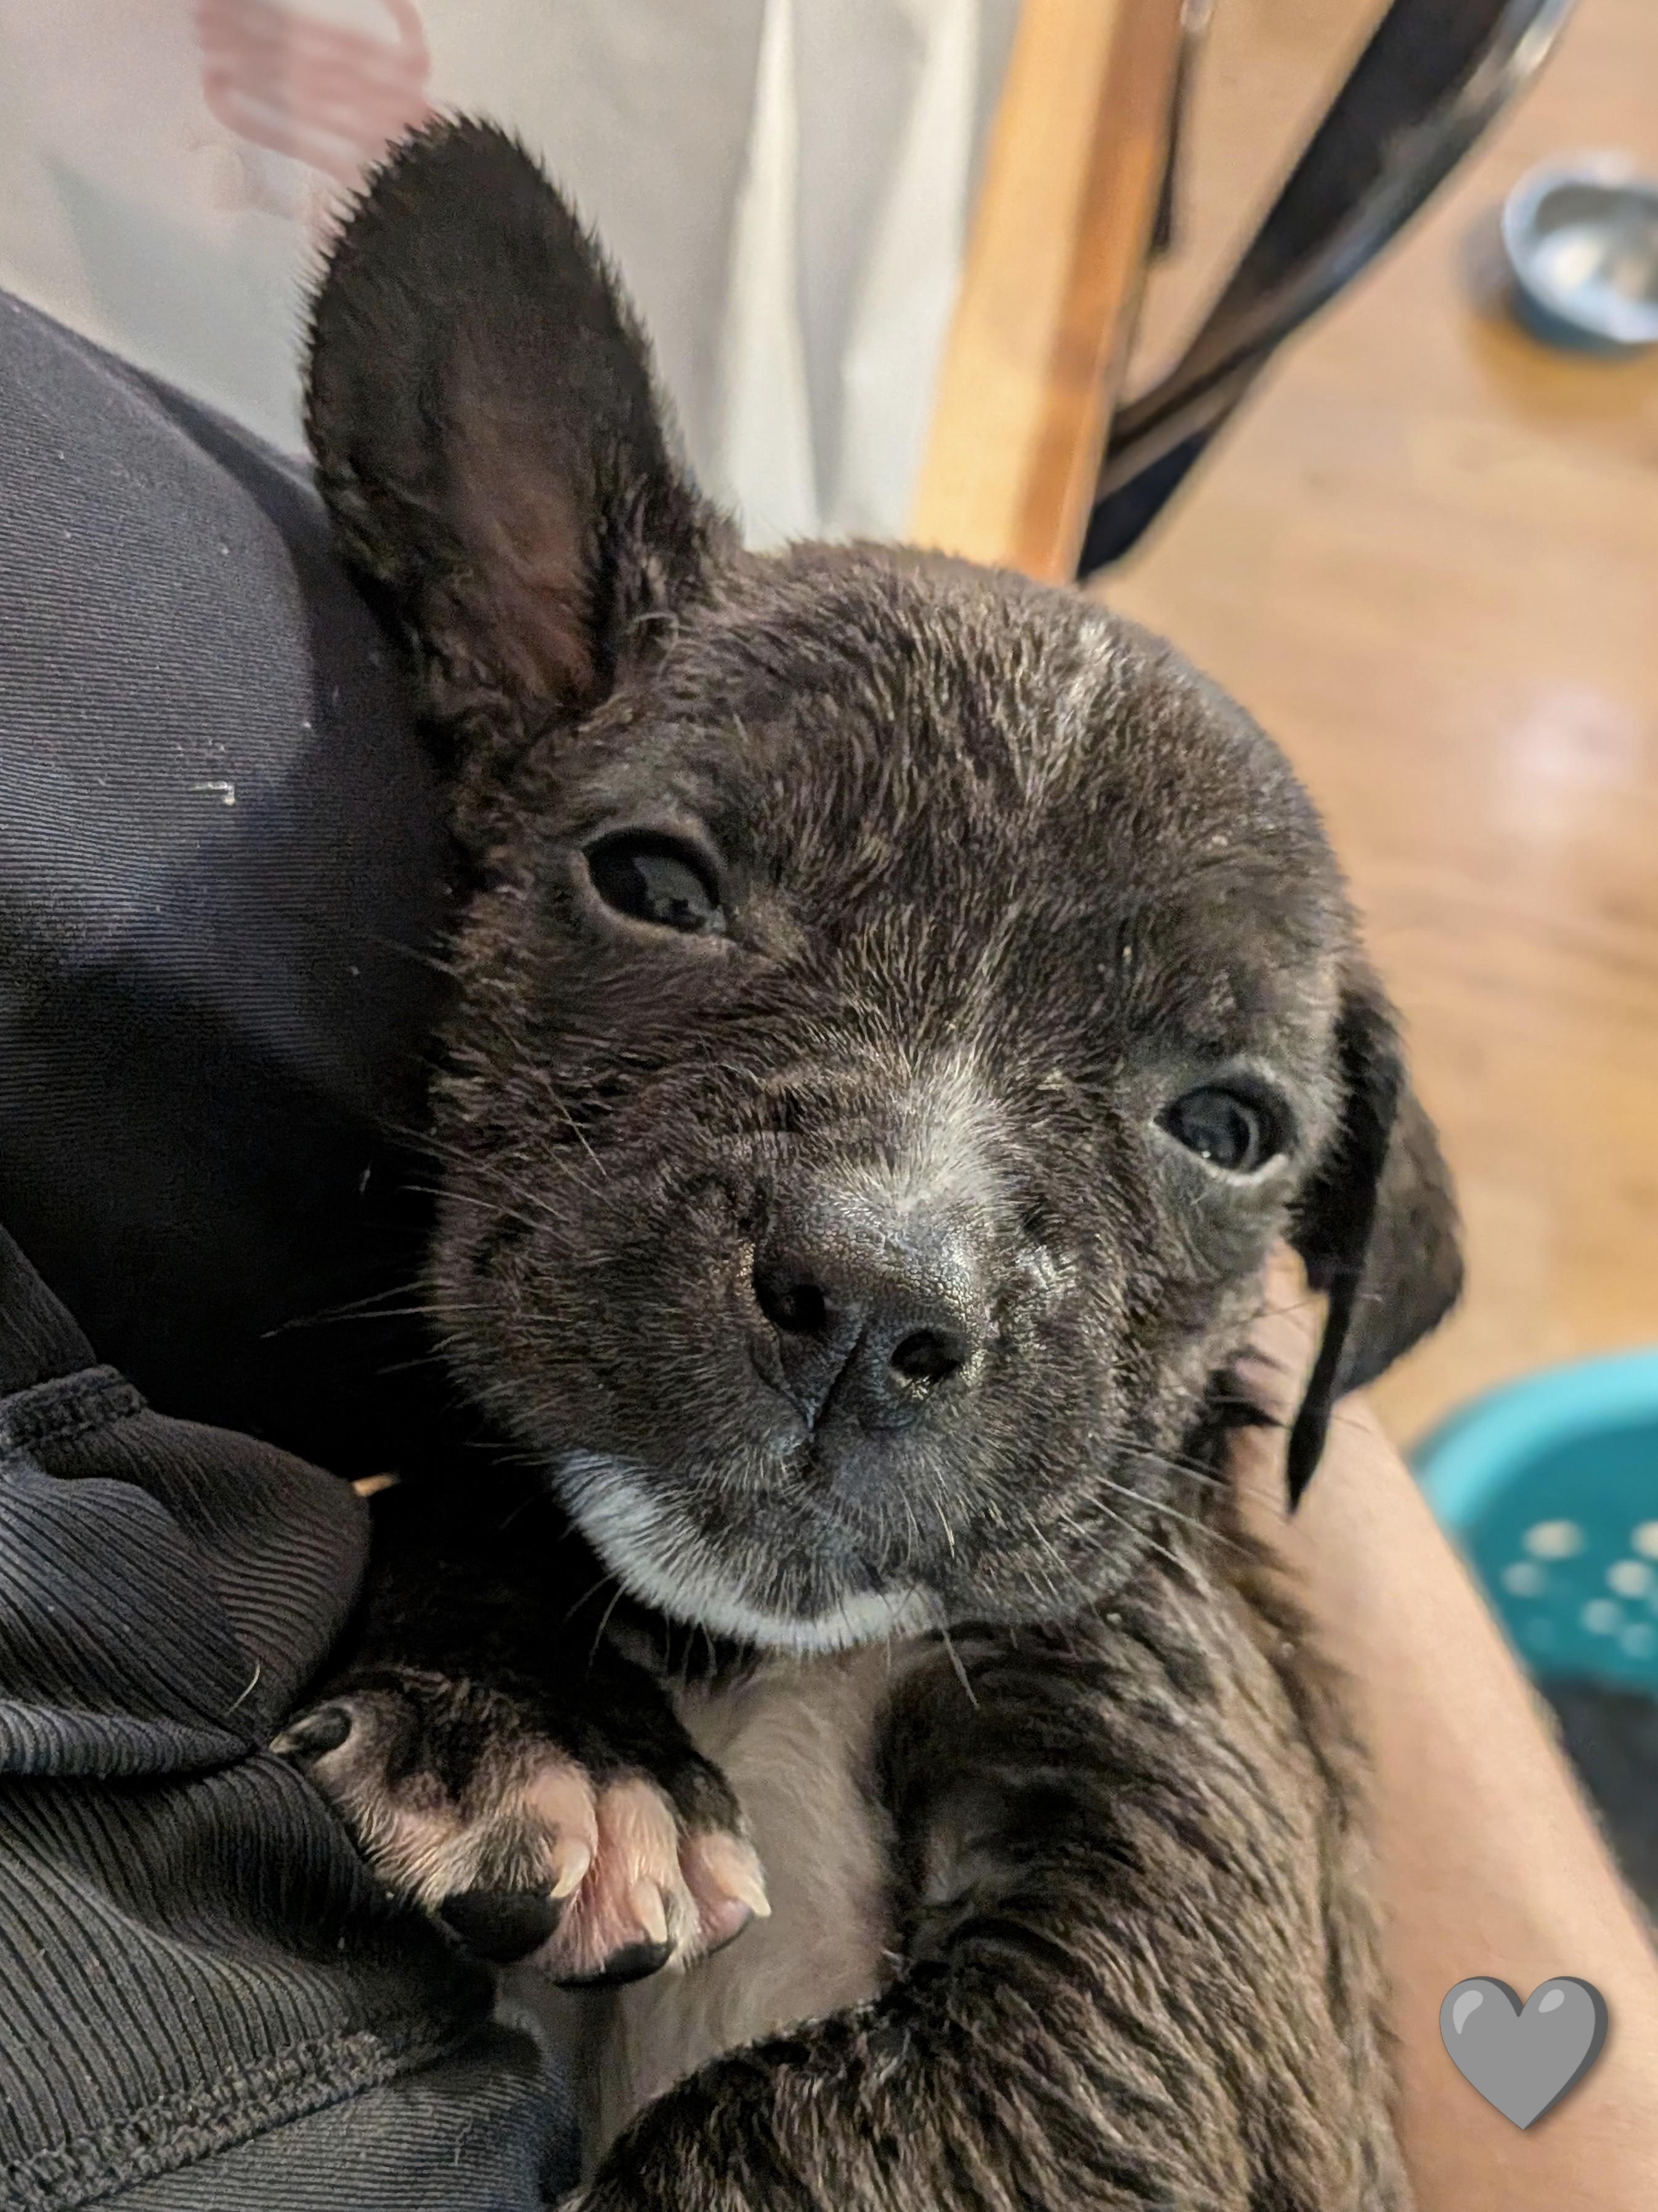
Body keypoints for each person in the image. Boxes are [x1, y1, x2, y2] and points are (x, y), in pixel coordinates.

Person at [2, 287, 1655, 2210]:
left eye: (1213, 1128)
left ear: (1324, 1279)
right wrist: (467, 1618)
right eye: (669, 889)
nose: (894, 1241)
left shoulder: (1101, 1703)